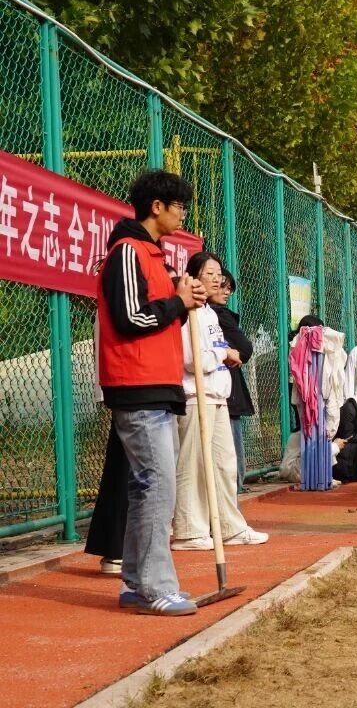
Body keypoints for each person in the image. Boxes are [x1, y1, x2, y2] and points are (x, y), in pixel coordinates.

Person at [94, 171, 204, 614]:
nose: (183, 214)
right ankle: (156, 587)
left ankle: (140, 583)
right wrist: (178, 303)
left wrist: (183, 301)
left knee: (150, 486)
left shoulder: (155, 256)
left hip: (157, 384)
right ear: (156, 206)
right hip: (137, 384)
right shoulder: (128, 251)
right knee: (156, 485)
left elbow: (158, 316)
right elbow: (130, 319)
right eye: (179, 206)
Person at [173, 252, 268, 554]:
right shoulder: (187, 312)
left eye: (219, 274)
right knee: (193, 465)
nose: (217, 279)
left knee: (225, 465)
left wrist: (222, 352)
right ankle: (189, 531)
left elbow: (215, 349)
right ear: (194, 277)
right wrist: (223, 354)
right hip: (195, 397)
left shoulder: (211, 314)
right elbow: (192, 360)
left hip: (217, 396)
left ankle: (230, 526)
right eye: (210, 273)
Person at [208, 272, 255, 493]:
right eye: (222, 286)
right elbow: (245, 348)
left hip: (224, 391)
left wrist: (229, 352)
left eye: (229, 288)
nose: (227, 292)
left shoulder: (215, 314)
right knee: (230, 459)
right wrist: (228, 352)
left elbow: (244, 350)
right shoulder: (214, 315)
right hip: (218, 394)